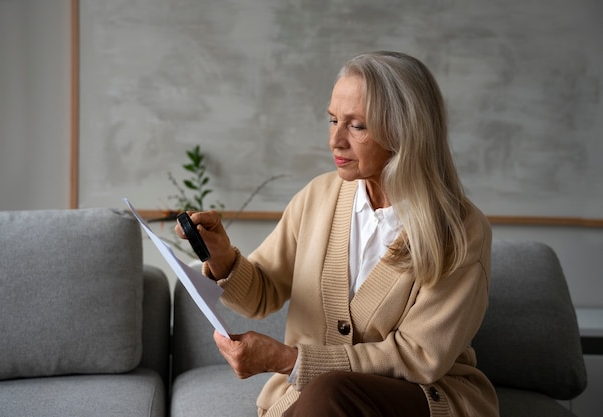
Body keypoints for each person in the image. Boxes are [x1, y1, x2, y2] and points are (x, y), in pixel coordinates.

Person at [175, 51, 499, 417]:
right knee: (322, 395)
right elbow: (261, 294)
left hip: (418, 399)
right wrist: (222, 258)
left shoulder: (460, 230)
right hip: (313, 400)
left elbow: (419, 357)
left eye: (356, 125)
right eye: (332, 120)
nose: (335, 140)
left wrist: (289, 360)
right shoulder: (318, 196)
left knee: (329, 391)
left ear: (405, 131)